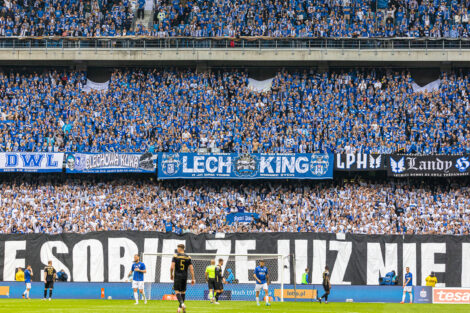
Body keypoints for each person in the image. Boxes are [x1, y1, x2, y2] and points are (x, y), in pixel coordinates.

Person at [171, 244, 195, 313]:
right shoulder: (188, 257)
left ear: (180, 248)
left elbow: (172, 267)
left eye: (177, 248)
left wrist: (171, 274)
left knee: (176, 291)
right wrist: (193, 279)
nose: (177, 249)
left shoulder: (176, 256)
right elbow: (191, 269)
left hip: (177, 276)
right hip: (184, 276)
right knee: (183, 292)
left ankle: (182, 304)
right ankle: (179, 309)